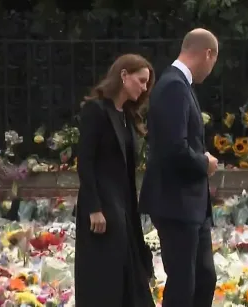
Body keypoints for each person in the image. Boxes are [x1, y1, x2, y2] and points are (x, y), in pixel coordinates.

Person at [139, 28, 219, 307]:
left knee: (204, 277)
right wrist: (205, 162)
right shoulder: (174, 85)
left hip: (189, 204)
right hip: (176, 201)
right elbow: (175, 148)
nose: (211, 70)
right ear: (207, 54)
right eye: (214, 61)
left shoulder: (179, 85)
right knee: (183, 284)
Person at [75, 54, 155, 307]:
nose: (143, 88)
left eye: (146, 84)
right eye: (141, 81)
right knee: (105, 277)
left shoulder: (126, 115)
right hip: (103, 208)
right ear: (123, 75)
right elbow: (85, 162)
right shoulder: (96, 110)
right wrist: (94, 208)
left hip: (125, 206)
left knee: (131, 275)